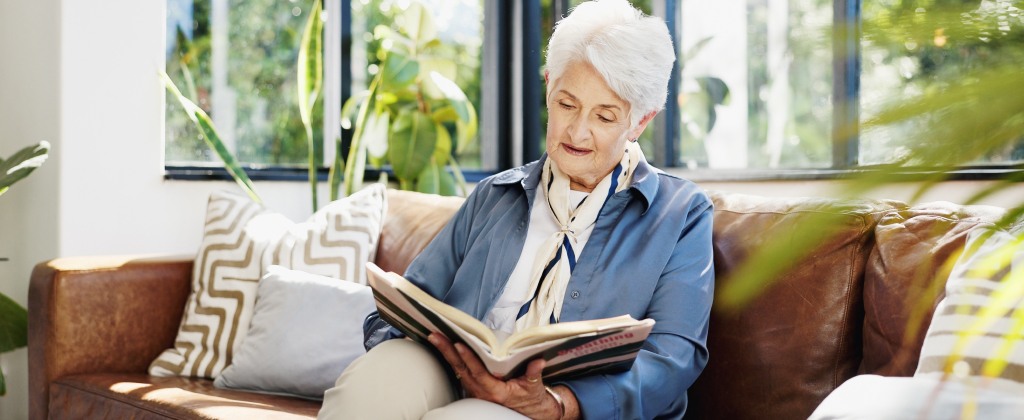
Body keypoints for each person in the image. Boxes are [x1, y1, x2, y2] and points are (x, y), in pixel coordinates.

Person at [318, 0, 714, 418]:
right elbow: (414, 297)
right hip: (454, 374)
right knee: (378, 378)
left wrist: (562, 404)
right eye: (566, 104)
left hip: (559, 406)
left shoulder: (681, 214)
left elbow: (674, 356)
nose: (578, 132)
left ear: (640, 122)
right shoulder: (496, 194)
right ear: (548, 87)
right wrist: (409, 334)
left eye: (604, 116)